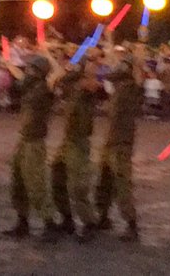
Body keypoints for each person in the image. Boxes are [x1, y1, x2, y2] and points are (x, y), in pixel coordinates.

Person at [0, 53, 60, 241]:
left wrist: (49, 53)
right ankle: (22, 221)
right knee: (18, 181)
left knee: (36, 183)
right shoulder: (30, 86)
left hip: (35, 142)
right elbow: (19, 75)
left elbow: (58, 72)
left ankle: (50, 224)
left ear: (40, 72)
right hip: (24, 139)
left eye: (32, 68)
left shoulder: (45, 87)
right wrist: (8, 64)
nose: (28, 71)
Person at [49, 48, 102, 243]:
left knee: (78, 186)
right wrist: (61, 61)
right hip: (68, 141)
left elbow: (93, 82)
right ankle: (67, 219)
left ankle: (89, 223)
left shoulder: (88, 91)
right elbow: (59, 78)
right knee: (57, 178)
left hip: (80, 142)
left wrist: (90, 60)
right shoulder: (72, 86)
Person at [94, 45, 140, 242]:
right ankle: (103, 216)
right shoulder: (120, 86)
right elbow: (112, 68)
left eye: (124, 65)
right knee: (105, 180)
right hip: (111, 140)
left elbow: (137, 72)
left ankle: (131, 224)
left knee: (122, 184)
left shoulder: (132, 87)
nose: (118, 67)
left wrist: (138, 54)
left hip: (122, 142)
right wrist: (109, 40)